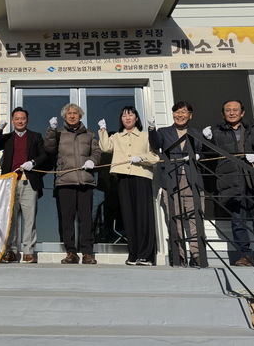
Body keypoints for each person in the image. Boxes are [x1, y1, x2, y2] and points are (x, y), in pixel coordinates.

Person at [203, 100, 254, 267]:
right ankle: (244, 255)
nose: (232, 113)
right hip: (231, 181)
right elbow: (208, 155)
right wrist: (208, 140)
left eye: (235, 110)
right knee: (238, 220)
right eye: (228, 110)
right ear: (223, 114)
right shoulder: (217, 132)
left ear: (242, 113)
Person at [98, 106, 159, 266]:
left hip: (142, 177)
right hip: (123, 178)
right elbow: (105, 147)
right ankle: (133, 254)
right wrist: (103, 130)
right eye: (124, 115)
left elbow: (155, 156)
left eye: (130, 115)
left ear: (136, 118)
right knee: (128, 217)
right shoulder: (117, 136)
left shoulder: (145, 136)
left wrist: (142, 158)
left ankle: (146, 255)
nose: (127, 118)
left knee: (143, 216)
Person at [44, 103, 101, 265]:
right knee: (67, 219)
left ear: (80, 115)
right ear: (64, 116)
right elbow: (49, 148)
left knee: (86, 219)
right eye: (69, 113)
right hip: (65, 181)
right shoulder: (59, 133)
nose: (72, 115)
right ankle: (71, 252)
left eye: (75, 113)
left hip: (85, 181)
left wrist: (92, 160)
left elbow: (97, 152)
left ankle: (87, 253)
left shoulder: (89, 134)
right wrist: (51, 130)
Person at [149, 101, 203, 267]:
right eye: (177, 112)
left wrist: (199, 153)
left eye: (184, 112)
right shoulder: (164, 132)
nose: (180, 115)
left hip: (192, 180)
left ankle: (197, 255)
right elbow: (155, 144)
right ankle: (178, 256)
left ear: (190, 115)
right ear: (173, 114)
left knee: (195, 218)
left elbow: (202, 149)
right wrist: (151, 130)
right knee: (174, 219)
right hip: (171, 181)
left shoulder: (196, 132)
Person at [0, 107, 47, 264]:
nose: (20, 121)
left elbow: (43, 155)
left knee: (30, 218)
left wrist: (33, 162)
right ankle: (11, 251)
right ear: (12, 120)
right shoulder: (7, 137)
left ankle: (29, 251)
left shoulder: (36, 136)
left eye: (22, 118)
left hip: (29, 181)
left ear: (27, 120)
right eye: (17, 118)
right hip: (10, 182)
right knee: (11, 218)